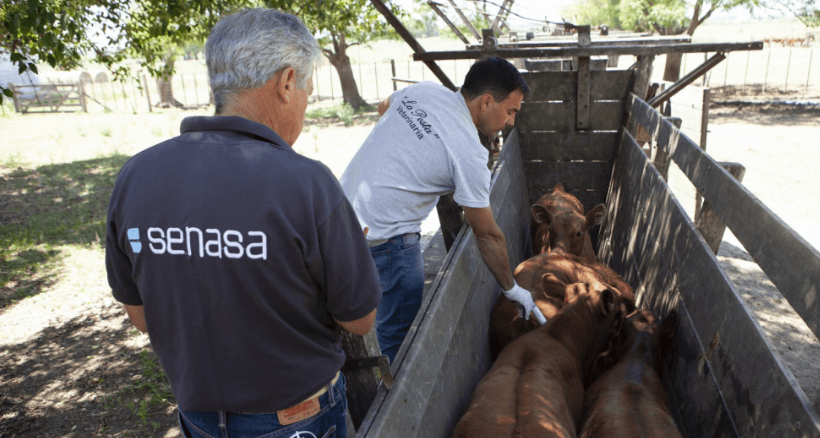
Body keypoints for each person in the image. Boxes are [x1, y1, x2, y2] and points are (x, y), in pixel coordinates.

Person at [105, 8, 381, 438]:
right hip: (297, 419)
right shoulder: (306, 183)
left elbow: (141, 315)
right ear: (288, 82)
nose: (305, 104)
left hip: (198, 418)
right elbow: (359, 319)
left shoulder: (136, 175)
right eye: (307, 89)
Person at [340, 57, 545, 364]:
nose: (512, 120)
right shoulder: (470, 154)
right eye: (511, 110)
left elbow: (384, 107)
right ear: (487, 102)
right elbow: (487, 235)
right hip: (390, 241)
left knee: (341, 319)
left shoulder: (424, 91)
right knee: (397, 338)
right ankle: (393, 407)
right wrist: (511, 288)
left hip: (340, 216)